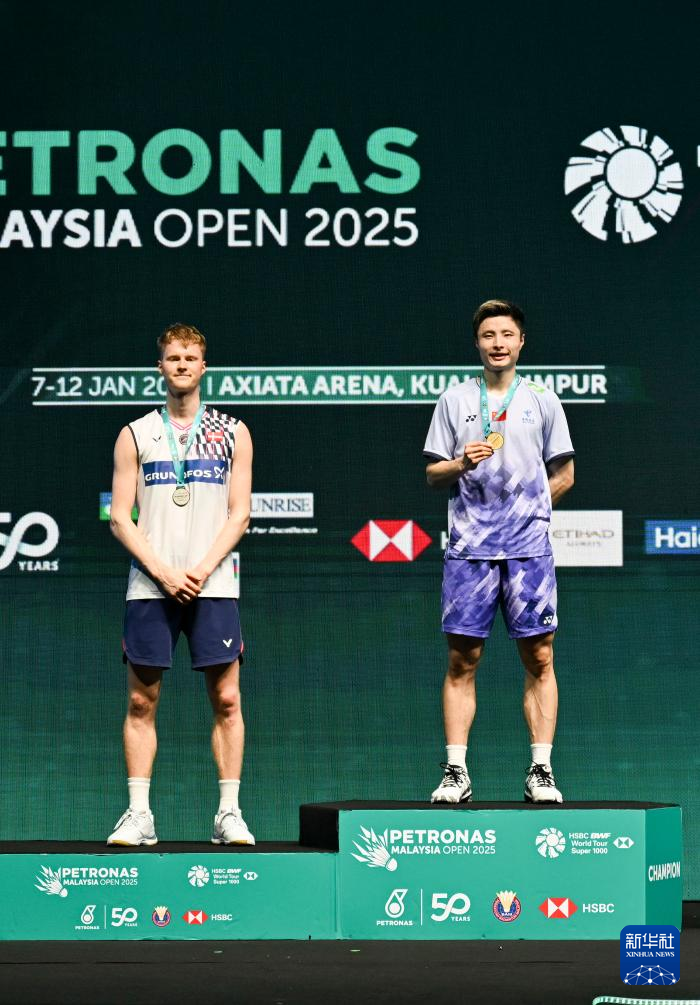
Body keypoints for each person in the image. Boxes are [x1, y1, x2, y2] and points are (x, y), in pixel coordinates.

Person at [107, 323, 254, 845]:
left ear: (203, 367)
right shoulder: (136, 433)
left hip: (214, 585)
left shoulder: (232, 431)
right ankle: (139, 815)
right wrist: (165, 572)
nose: (182, 366)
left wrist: (200, 569)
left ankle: (228, 814)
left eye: (191, 358)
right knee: (141, 702)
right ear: (161, 367)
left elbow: (240, 513)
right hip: (151, 586)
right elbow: (120, 517)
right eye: (173, 358)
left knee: (228, 699)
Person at [424, 299, 574, 804]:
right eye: (488, 335)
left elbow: (565, 474)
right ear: (477, 343)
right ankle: (456, 772)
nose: (498, 343)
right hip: (470, 549)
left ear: (521, 342)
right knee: (462, 659)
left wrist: (530, 512)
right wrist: (460, 463)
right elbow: (433, 474)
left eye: (507, 334)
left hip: (529, 550)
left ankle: (541, 772)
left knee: (540, 656)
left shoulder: (543, 400)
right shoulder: (453, 400)